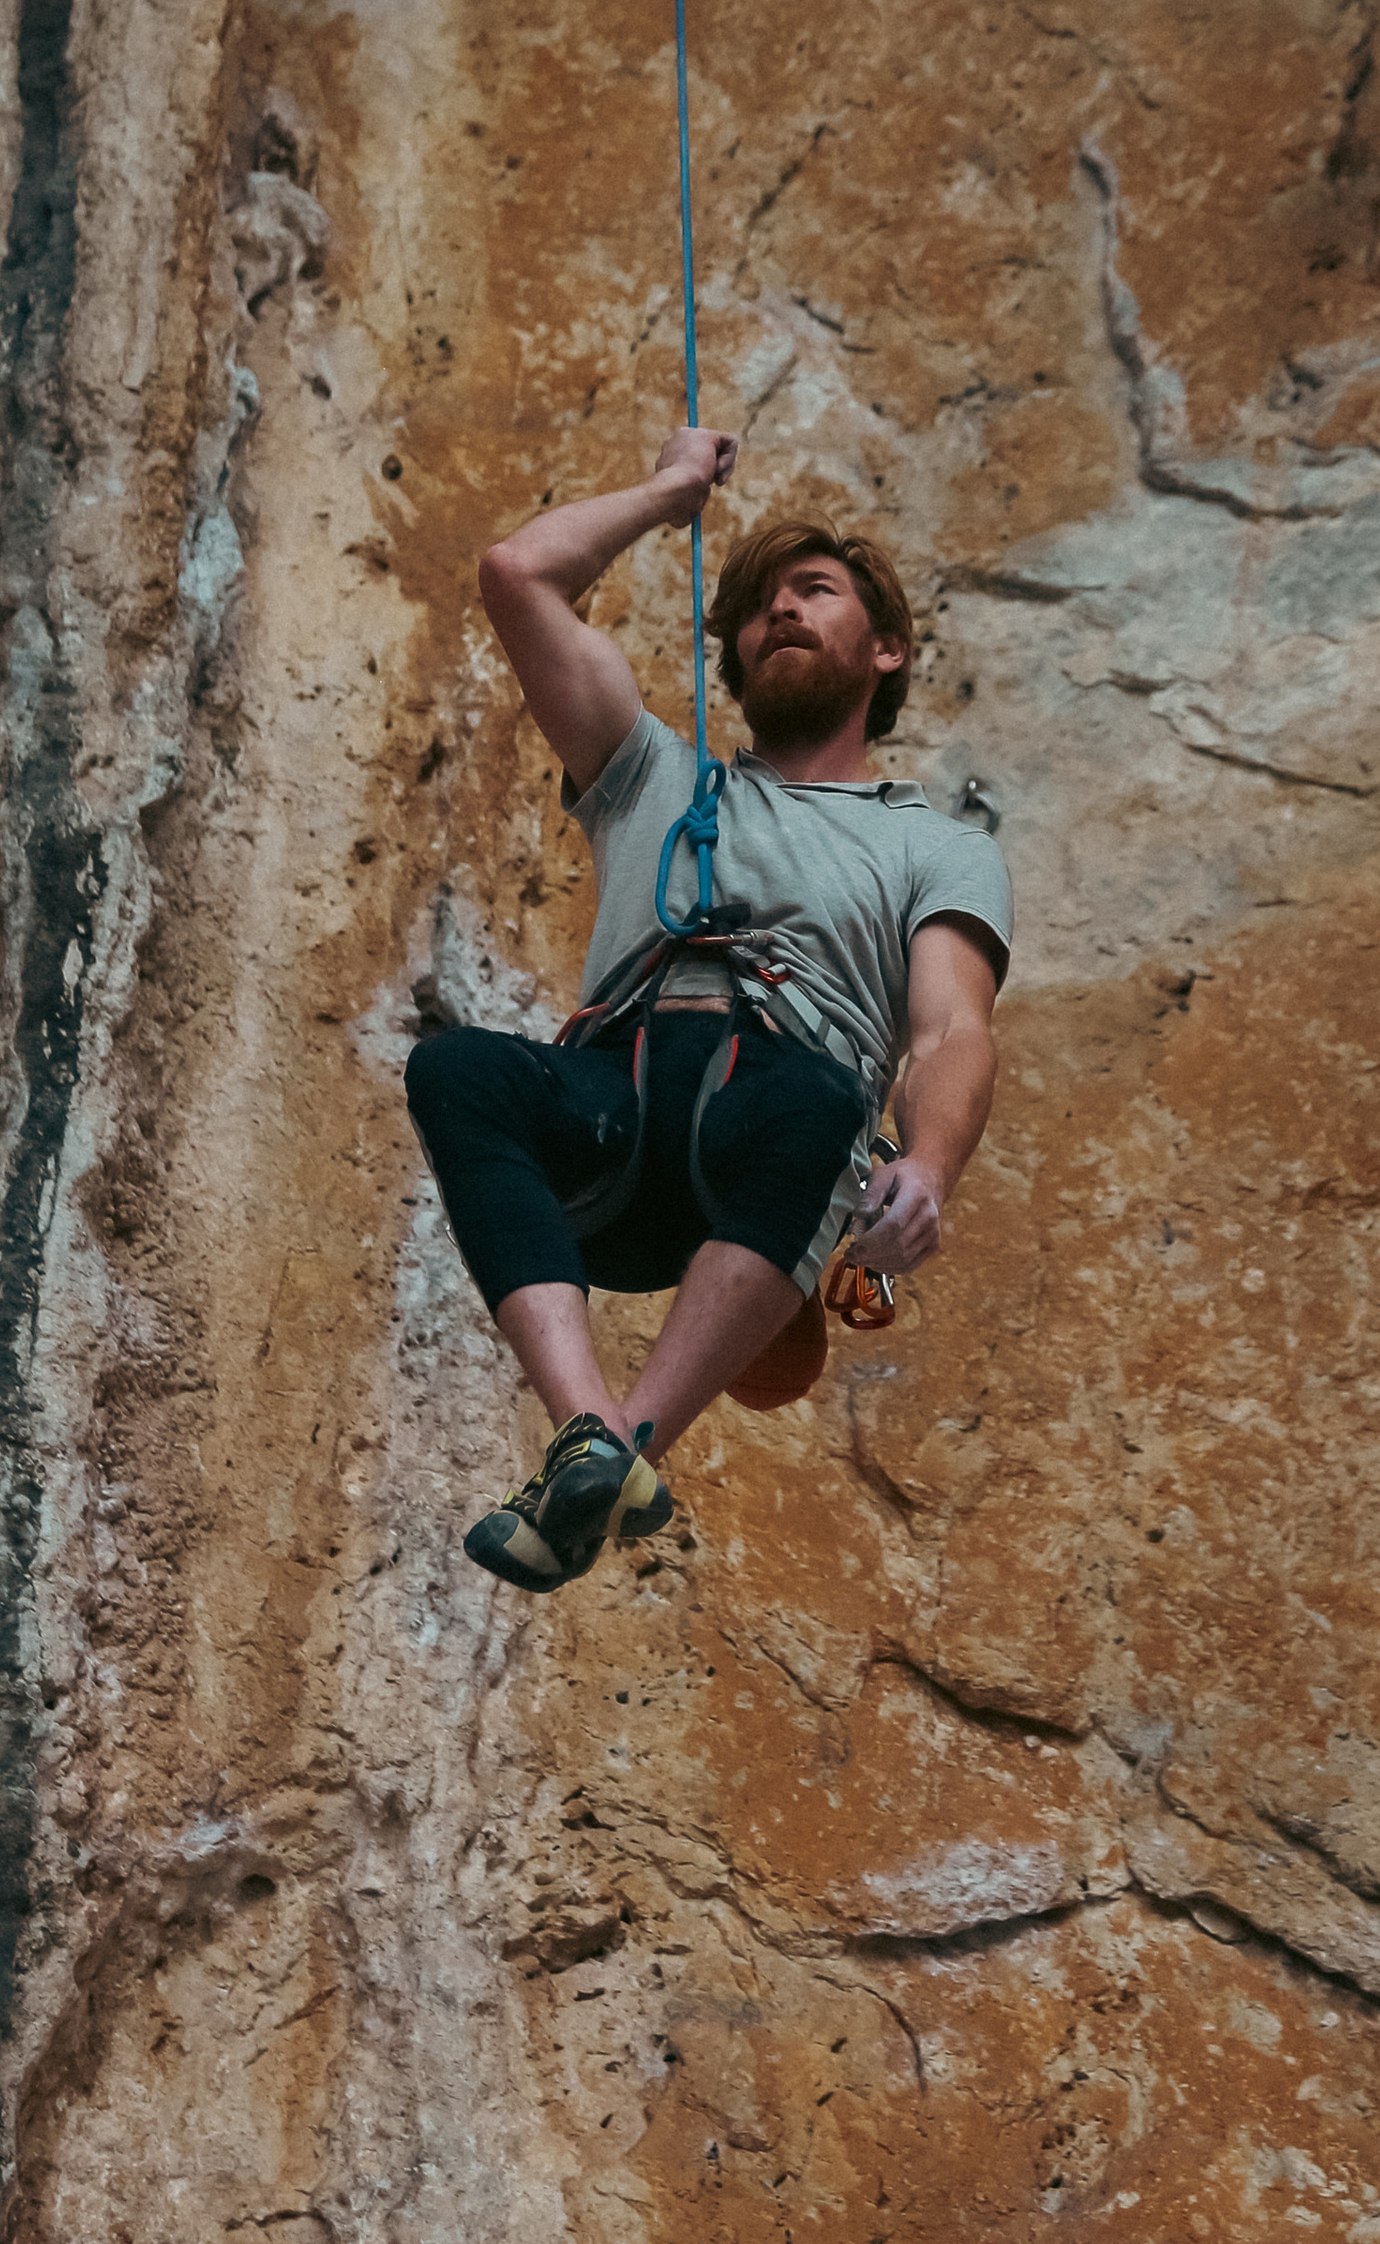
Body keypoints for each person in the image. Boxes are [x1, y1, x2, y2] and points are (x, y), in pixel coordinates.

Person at [404, 424, 1012, 1590]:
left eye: (816, 593)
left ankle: (628, 1441)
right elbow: (517, 575)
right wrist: (666, 493)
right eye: (759, 606)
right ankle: (589, 1438)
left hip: (771, 1130)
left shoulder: (932, 846)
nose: (781, 612)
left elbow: (948, 1029)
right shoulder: (647, 774)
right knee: (458, 1071)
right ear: (732, 656)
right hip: (620, 1121)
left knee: (820, 1095)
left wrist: (929, 1166)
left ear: (884, 650)